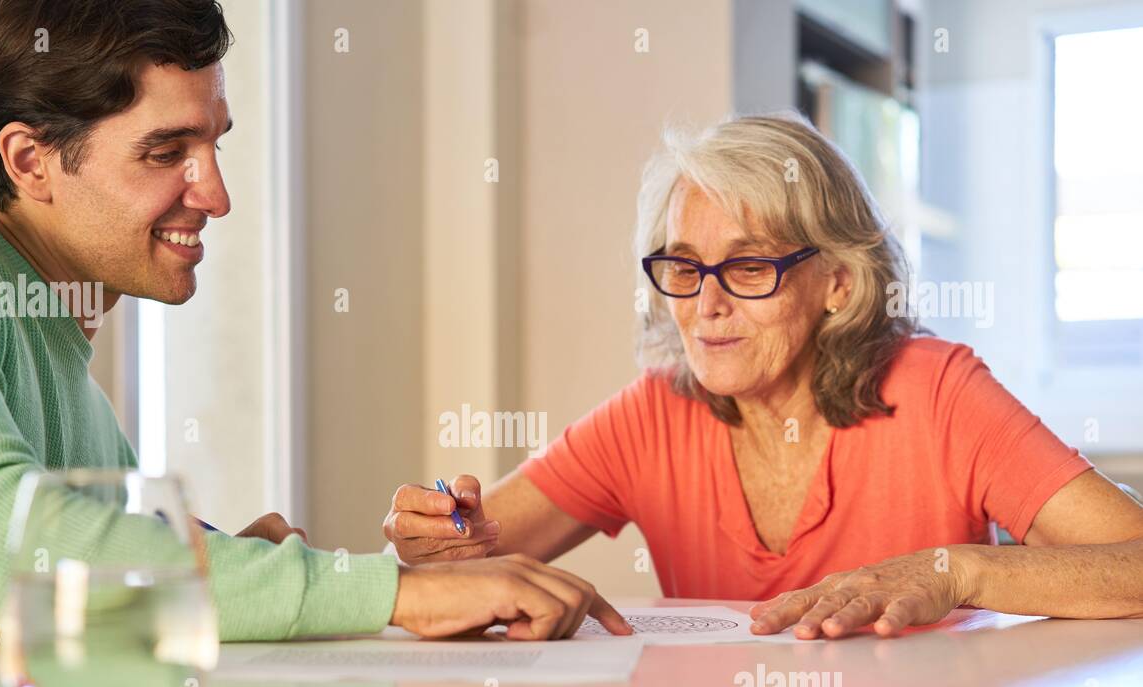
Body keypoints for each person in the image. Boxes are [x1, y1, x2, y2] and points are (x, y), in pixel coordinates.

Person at [0, 0, 628, 666]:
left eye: (214, 144)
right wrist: (394, 593)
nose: (215, 195)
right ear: (31, 160)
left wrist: (417, 570)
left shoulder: (76, 389)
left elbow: (97, 596)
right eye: (166, 152)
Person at [384, 113, 1143, 639]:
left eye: (749, 266)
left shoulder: (938, 392)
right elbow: (458, 563)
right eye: (683, 266)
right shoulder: (653, 415)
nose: (706, 304)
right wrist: (437, 544)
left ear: (839, 283)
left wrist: (959, 571)